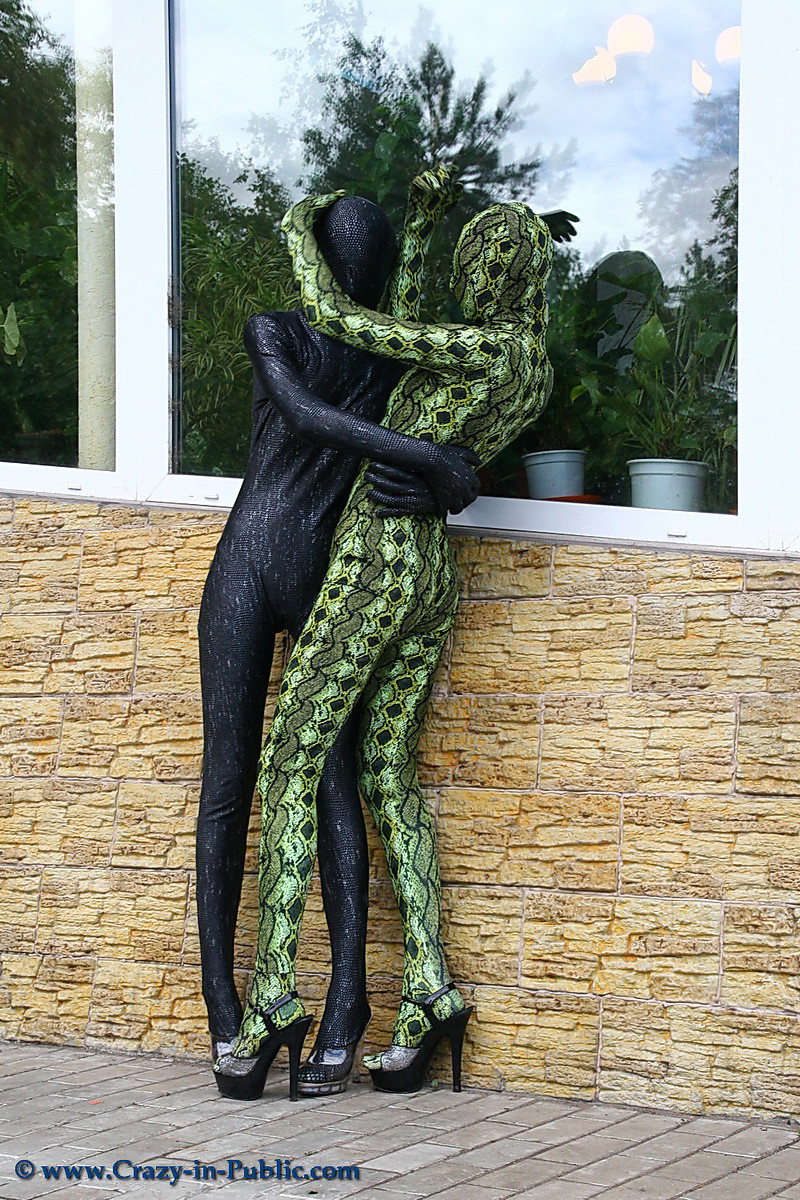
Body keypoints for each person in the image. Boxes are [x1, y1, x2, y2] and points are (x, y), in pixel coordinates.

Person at [218, 167, 554, 1099]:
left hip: (377, 562)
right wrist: (424, 219)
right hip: (432, 573)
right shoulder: (524, 362)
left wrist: (298, 224)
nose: (469, 278)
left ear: (492, 274)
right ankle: (431, 990)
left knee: (291, 761)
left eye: (476, 262)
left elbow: (345, 317)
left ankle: (273, 999)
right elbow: (406, 336)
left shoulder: (480, 345)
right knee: (387, 777)